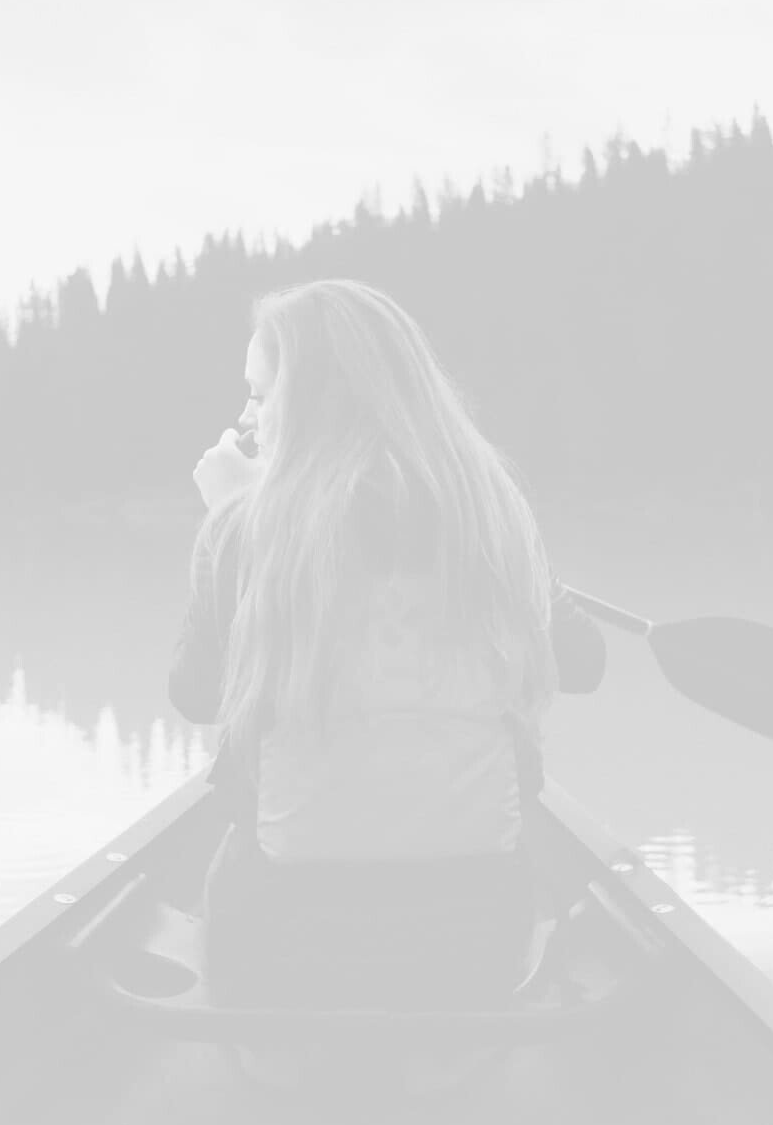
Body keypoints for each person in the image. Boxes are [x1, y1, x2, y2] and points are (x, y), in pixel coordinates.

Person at [168, 279, 605, 1012]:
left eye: (259, 395)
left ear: (308, 403)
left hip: (282, 935)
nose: (245, 419)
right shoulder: (492, 518)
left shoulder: (245, 530)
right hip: (477, 932)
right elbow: (584, 662)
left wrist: (234, 516)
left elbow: (196, 694)